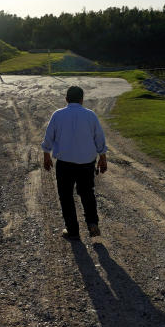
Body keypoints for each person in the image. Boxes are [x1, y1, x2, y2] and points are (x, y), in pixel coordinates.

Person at [41, 85, 108, 240]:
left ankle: (72, 230)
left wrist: (46, 155)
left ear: (66, 99)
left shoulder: (58, 115)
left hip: (65, 163)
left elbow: (49, 137)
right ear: (82, 99)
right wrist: (103, 159)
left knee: (66, 196)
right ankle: (92, 223)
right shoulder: (90, 115)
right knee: (87, 193)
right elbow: (99, 138)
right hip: (87, 163)